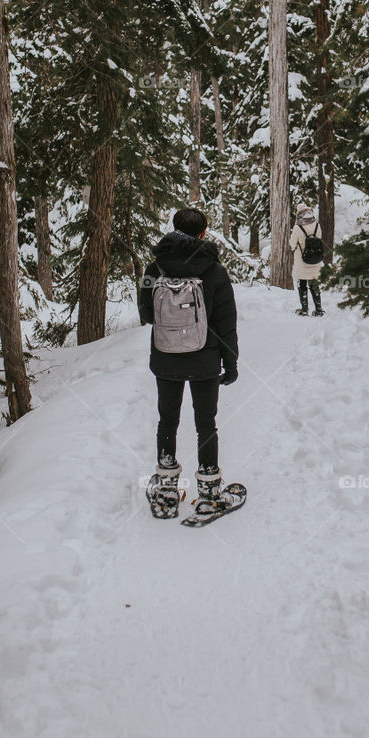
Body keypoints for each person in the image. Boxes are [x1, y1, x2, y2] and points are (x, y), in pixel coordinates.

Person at [138, 207, 238, 516]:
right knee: (205, 423)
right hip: (204, 359)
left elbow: (145, 313)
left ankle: (167, 490)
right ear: (204, 234)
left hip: (166, 356)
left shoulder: (154, 268)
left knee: (167, 421)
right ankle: (209, 491)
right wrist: (230, 362)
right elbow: (226, 320)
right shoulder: (215, 270)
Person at [289, 202, 324, 317]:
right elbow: (319, 239)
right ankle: (318, 309)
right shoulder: (317, 225)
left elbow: (292, 244)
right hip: (315, 258)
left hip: (302, 259)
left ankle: (304, 310)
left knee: (302, 283)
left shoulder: (298, 227)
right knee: (314, 284)